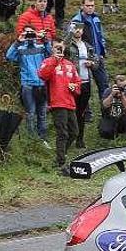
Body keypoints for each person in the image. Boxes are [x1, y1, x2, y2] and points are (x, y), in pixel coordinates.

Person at [37, 39, 81, 168]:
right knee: (62, 133)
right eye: (56, 47)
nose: (59, 49)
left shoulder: (70, 64)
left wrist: (75, 87)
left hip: (70, 103)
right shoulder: (47, 62)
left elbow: (78, 83)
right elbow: (43, 75)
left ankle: (61, 154)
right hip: (57, 103)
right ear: (52, 48)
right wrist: (54, 60)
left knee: (74, 132)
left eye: (61, 47)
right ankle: (60, 161)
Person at [6, 24, 51, 144]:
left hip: (41, 84)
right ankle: (31, 139)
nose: (30, 35)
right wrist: (17, 42)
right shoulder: (20, 48)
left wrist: (45, 39)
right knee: (30, 112)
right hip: (28, 84)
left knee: (42, 113)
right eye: (27, 33)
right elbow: (9, 56)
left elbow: (51, 55)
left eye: (32, 32)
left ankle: (42, 138)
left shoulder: (41, 46)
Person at [64, 21, 102, 148]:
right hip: (72, 82)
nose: (78, 31)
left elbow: (96, 62)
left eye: (80, 29)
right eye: (76, 29)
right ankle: (69, 136)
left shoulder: (87, 45)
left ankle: (80, 139)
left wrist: (92, 64)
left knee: (81, 111)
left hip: (85, 82)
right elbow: (63, 47)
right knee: (72, 111)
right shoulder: (69, 45)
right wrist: (70, 32)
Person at [70, 0, 108, 116]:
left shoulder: (95, 18)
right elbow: (71, 38)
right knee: (84, 85)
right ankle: (85, 112)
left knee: (103, 83)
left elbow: (99, 34)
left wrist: (102, 49)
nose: (90, 8)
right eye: (87, 5)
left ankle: (105, 109)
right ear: (82, 6)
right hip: (83, 57)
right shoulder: (78, 21)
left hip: (97, 55)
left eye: (92, 5)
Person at [99, 74, 126, 144]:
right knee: (105, 133)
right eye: (120, 87)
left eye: (124, 86)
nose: (122, 88)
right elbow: (104, 106)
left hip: (124, 118)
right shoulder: (108, 91)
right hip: (110, 117)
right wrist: (112, 95)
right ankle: (112, 136)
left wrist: (122, 97)